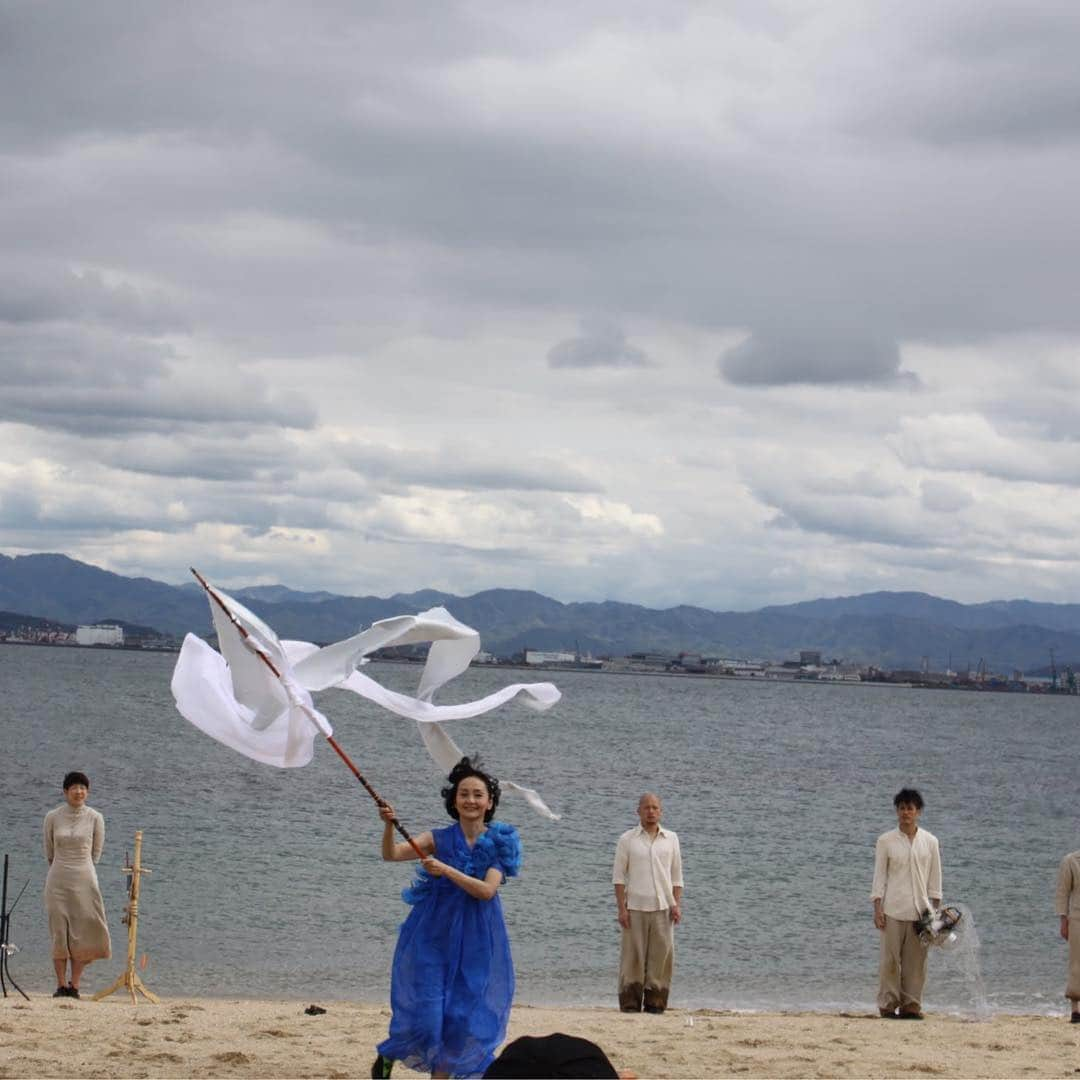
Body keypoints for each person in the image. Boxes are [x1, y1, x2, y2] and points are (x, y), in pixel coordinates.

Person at [372, 757, 521, 1079]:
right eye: (464, 793)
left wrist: (446, 870)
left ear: (489, 801)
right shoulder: (437, 838)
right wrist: (388, 824)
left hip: (477, 938)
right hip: (432, 934)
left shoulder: (499, 842)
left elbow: (486, 891)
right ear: (454, 800)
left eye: (478, 794)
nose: (471, 800)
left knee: (461, 1017)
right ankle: (389, 1053)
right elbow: (392, 854)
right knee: (429, 1014)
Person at [870, 787, 942, 1020]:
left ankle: (912, 1006)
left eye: (910, 808)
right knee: (890, 961)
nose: (906, 813)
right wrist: (877, 908)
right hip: (892, 908)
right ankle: (888, 1005)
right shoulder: (886, 841)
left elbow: (935, 878)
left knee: (916, 963)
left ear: (918, 811)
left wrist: (936, 911)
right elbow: (879, 876)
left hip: (921, 912)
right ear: (897, 811)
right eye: (902, 808)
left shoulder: (930, 841)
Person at [612, 792, 683, 1014]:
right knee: (632, 958)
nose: (651, 812)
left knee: (661, 959)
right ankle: (630, 1003)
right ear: (638, 811)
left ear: (660, 811)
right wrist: (621, 909)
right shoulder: (627, 839)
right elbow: (619, 877)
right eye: (646, 808)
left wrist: (676, 905)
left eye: (655, 808)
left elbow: (677, 876)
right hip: (635, 908)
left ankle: (656, 1003)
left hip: (664, 907)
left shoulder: (671, 839)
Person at [43, 771, 111, 998]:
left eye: (83, 787)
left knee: (83, 930)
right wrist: (61, 866)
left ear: (87, 792)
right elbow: (49, 852)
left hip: (84, 876)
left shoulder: (95, 817)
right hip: (58, 877)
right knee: (59, 930)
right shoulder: (52, 817)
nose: (79, 791)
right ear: (65, 791)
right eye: (74, 787)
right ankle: (61, 985)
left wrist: (81, 868)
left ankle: (75, 985)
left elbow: (96, 853)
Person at [1055, 847, 1080, 1023]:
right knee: (1076, 962)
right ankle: (1075, 1010)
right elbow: (1063, 892)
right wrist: (1064, 921)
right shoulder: (1071, 860)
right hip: (1077, 918)